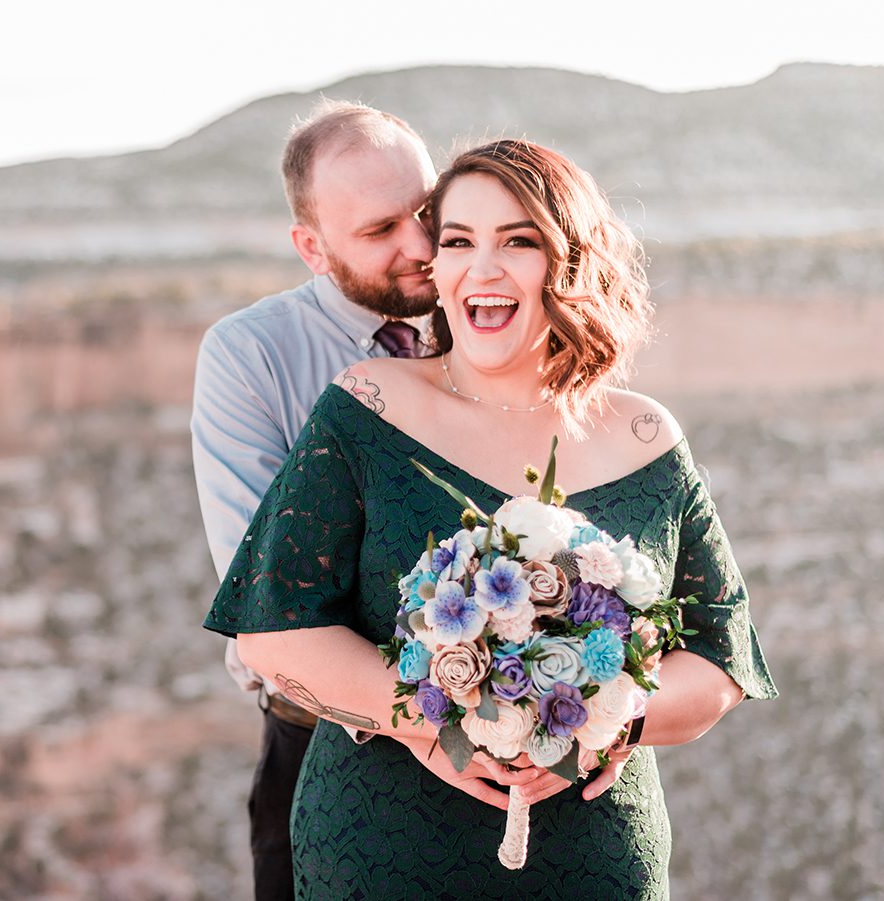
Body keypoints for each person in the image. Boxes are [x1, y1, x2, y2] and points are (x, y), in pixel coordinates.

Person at [204, 139, 777, 898]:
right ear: (435, 269)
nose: (483, 267)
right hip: (385, 853)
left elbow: (719, 656)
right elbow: (275, 631)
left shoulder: (645, 435)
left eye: (519, 240)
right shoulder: (366, 404)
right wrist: (435, 721)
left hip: (593, 861)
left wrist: (604, 719)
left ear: (568, 262)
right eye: (458, 241)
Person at [190, 99, 441, 899]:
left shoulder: (492, 321)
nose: (422, 247)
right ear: (311, 247)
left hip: (515, 737)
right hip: (325, 746)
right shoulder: (250, 356)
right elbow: (271, 593)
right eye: (379, 232)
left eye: (428, 213)